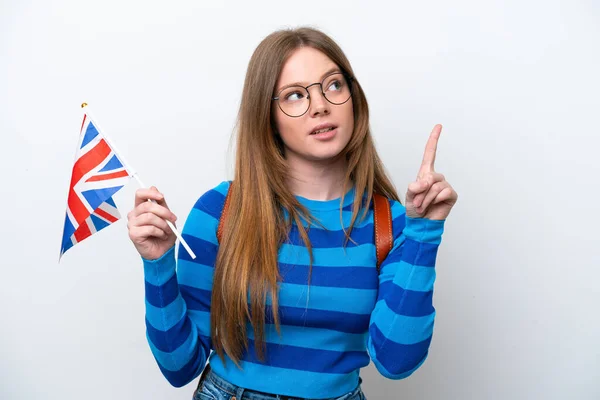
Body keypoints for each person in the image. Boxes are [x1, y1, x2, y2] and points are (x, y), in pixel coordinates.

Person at [127, 27, 457, 400]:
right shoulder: (220, 211)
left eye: (333, 86)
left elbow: (397, 362)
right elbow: (179, 367)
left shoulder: (392, 223)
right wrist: (156, 265)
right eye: (295, 95)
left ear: (354, 99)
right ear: (267, 116)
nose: (320, 106)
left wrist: (425, 233)